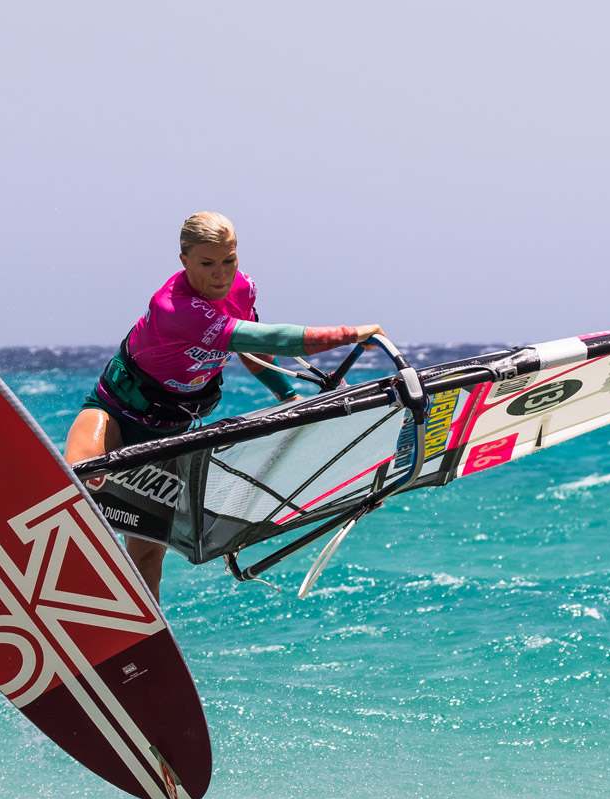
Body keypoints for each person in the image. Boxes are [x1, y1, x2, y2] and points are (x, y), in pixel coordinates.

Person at [64, 212, 384, 601]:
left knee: (147, 552)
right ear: (184, 261)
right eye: (207, 263)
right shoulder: (174, 308)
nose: (221, 274)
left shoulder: (243, 290)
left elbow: (255, 351)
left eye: (229, 261)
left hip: (169, 434)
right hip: (114, 413)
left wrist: (287, 396)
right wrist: (350, 333)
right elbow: (281, 339)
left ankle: (142, 637)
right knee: (79, 491)